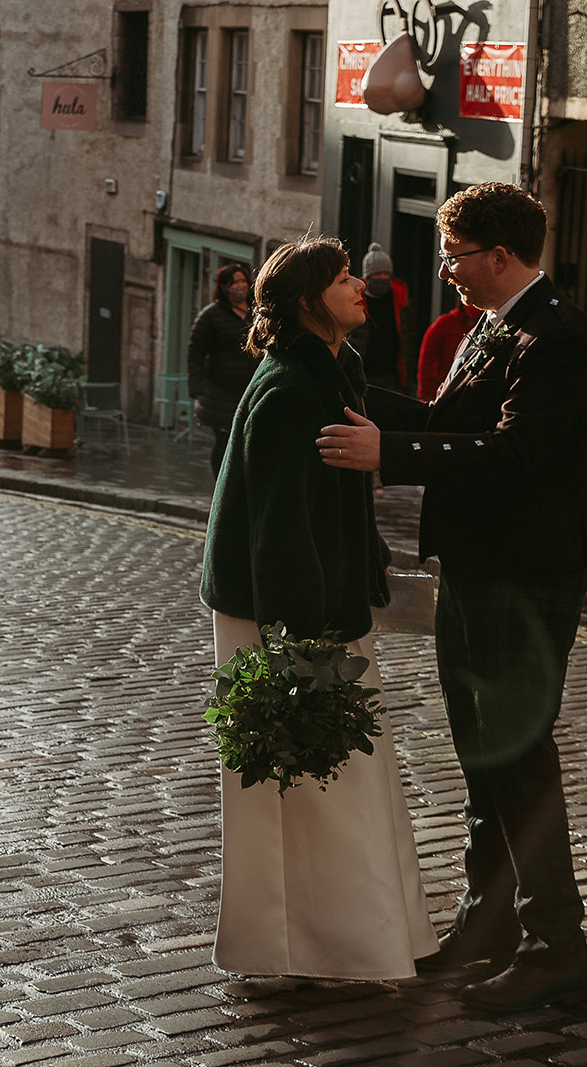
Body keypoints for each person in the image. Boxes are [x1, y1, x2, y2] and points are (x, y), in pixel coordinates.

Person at [316, 183, 587, 1012]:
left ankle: (558, 951)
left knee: (518, 754)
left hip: (528, 572)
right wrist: (340, 380)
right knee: (484, 754)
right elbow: (450, 421)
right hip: (479, 567)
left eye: (455, 256)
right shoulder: (496, 323)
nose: (447, 272)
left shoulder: (557, 338)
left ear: (501, 256)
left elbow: (512, 454)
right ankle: (491, 928)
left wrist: (390, 452)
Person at [200, 235, 436, 981]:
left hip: (326, 605)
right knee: (298, 788)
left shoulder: (336, 370)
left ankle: (370, 937)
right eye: (342, 280)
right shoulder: (286, 392)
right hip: (282, 613)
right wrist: (299, 649)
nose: (359, 287)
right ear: (308, 302)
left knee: (348, 779)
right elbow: (277, 534)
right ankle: (303, 947)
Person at [186, 263, 254, 476]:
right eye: (234, 282)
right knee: (225, 441)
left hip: (249, 389)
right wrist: (197, 387)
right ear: (224, 287)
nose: (240, 286)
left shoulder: (256, 314)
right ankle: (222, 486)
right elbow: (195, 351)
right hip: (221, 391)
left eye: (243, 281)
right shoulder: (211, 316)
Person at [350, 242, 413, 394]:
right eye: (377, 275)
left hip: (392, 376)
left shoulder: (400, 300)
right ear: (368, 277)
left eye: (386, 275)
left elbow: (408, 337)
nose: (382, 279)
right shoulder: (354, 299)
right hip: (365, 373)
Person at [416, 299, 483, 401]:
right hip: (440, 389)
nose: (472, 308)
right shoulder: (445, 323)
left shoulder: (487, 327)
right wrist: (427, 393)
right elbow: (427, 359)